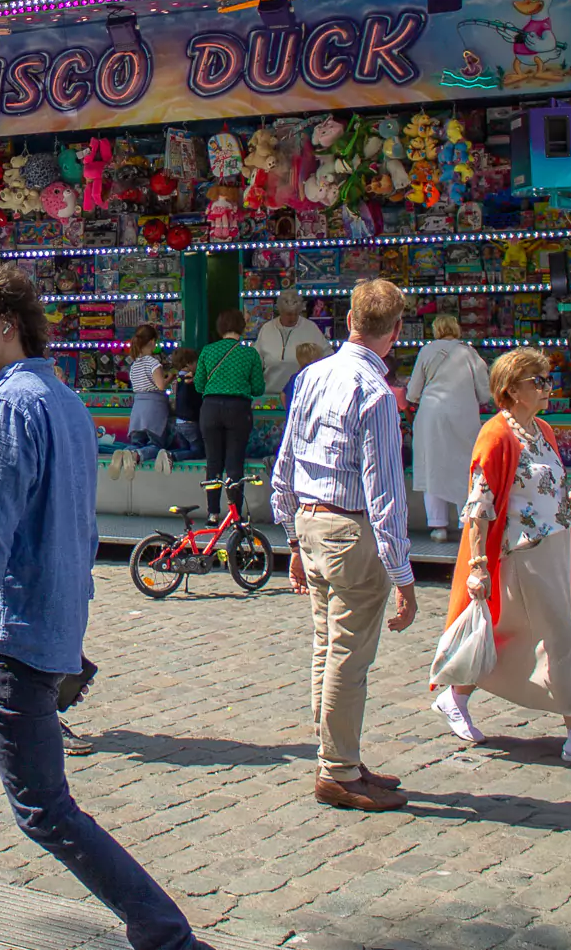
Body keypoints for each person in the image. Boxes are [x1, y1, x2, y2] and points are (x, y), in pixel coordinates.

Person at [0, 260, 212, 950]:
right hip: (36, 620)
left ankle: (168, 935)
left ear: (8, 322)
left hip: (14, 630)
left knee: (43, 808)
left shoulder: (7, 406)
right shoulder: (61, 398)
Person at [431, 348, 571, 768]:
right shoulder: (496, 435)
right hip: (523, 554)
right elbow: (478, 506)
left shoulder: (543, 430)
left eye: (547, 379)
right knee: (558, 636)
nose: (547, 387)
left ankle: (457, 693)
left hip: (553, 547)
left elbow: (540, 486)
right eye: (537, 381)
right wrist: (478, 565)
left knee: (512, 634)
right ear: (511, 389)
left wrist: (567, 494)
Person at [269, 278, 418, 812]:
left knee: (327, 644)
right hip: (350, 530)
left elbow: (286, 460)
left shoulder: (311, 375)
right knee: (347, 656)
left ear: (350, 321)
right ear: (395, 332)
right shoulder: (375, 393)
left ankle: (337, 755)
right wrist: (403, 575)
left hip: (311, 521)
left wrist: (291, 537)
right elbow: (385, 492)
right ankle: (337, 768)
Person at [405, 316, 490, 542]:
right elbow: (485, 393)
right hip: (464, 416)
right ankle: (466, 523)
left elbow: (413, 392)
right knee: (464, 467)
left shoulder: (426, 351)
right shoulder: (469, 353)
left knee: (432, 469)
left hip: (431, 417)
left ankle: (438, 526)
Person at [193, 310, 263, 521]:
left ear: (220, 327)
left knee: (213, 462)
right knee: (234, 463)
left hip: (210, 408)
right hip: (238, 409)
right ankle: (235, 515)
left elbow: (199, 385)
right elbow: (258, 388)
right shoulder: (249, 354)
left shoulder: (208, 350)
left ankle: (213, 513)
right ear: (242, 327)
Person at [254, 290, 329, 397]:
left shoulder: (311, 328)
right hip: (270, 394)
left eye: (296, 314)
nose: (292, 318)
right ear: (280, 311)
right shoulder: (267, 329)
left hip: (301, 395)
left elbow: (327, 356)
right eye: (288, 314)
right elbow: (257, 361)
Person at [125, 325, 169, 444]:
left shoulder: (135, 365)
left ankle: (129, 452)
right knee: (155, 445)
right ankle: (140, 453)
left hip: (138, 410)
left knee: (136, 443)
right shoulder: (153, 363)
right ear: (152, 341)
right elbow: (161, 386)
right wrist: (171, 377)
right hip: (153, 410)